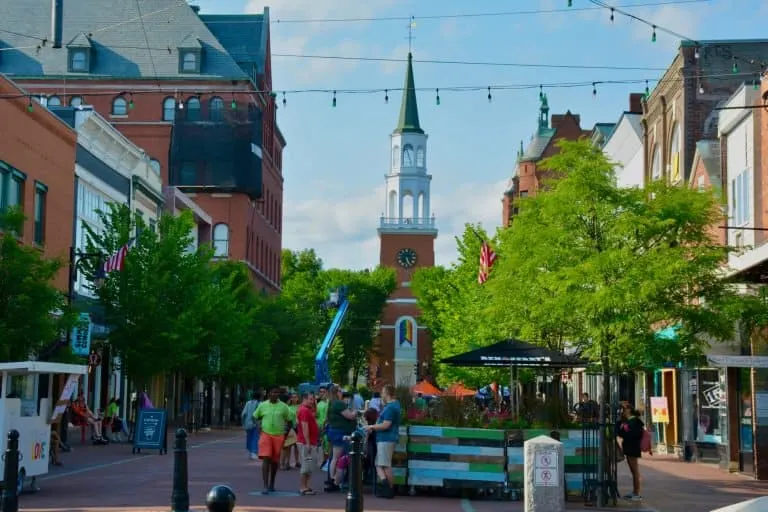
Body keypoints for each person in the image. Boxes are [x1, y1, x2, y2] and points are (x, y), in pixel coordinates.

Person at [364, 384, 401, 499]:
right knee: (382, 464)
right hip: (388, 438)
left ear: (387, 393)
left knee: (383, 464)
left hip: (385, 439)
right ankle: (388, 487)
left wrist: (372, 427)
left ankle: (388, 488)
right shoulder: (395, 405)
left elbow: (386, 425)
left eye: (383, 392)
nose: (382, 395)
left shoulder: (390, 407)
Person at [254, 387, 292, 494]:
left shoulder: (284, 407)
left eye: (277, 393)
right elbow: (255, 416)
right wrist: (258, 426)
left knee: (275, 461)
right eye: (273, 392)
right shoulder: (263, 405)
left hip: (278, 435)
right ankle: (265, 486)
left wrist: (285, 434)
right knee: (266, 458)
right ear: (269, 393)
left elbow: (289, 421)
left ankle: (272, 484)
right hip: (265, 434)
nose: (275, 394)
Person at [325, 384, 358, 492]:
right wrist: (355, 412)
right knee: (338, 457)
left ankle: (333, 479)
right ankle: (334, 479)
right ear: (337, 392)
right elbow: (350, 416)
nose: (342, 393)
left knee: (334, 457)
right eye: (340, 391)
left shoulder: (331, 403)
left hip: (334, 432)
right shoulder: (339, 403)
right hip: (340, 433)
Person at [616, 403, 644, 502]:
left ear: (628, 409)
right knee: (633, 471)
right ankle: (635, 491)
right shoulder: (627, 421)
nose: (622, 411)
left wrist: (624, 430)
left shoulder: (635, 421)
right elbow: (619, 432)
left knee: (635, 470)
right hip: (629, 447)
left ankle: (637, 493)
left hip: (633, 448)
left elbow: (634, 434)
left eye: (623, 409)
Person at [296, 392, 320, 495]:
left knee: (310, 464)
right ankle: (303, 487)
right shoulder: (304, 410)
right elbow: (305, 427)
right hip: (306, 442)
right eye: (310, 399)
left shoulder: (307, 410)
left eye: (313, 399)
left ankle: (306, 485)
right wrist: (308, 443)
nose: (312, 401)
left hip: (310, 442)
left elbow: (316, 412)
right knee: (306, 465)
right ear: (304, 399)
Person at [282, 392, 300, 470]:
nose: (294, 399)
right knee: (289, 445)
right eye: (292, 397)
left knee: (297, 446)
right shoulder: (288, 407)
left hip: (298, 427)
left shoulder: (300, 406)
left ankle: (297, 461)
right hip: (290, 428)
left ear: (298, 398)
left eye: (295, 397)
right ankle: (287, 462)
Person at [241, 391, 261, 460]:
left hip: (247, 424)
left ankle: (250, 452)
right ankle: (254, 452)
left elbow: (243, 414)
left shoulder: (248, 403)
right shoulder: (259, 403)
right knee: (255, 438)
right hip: (255, 424)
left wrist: (243, 423)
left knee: (249, 437)